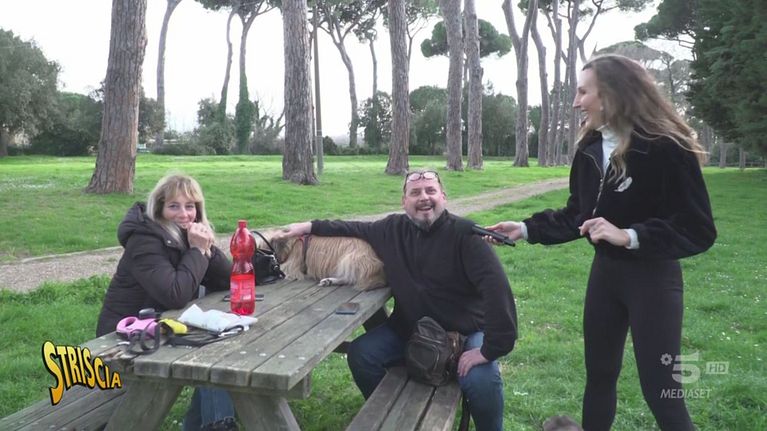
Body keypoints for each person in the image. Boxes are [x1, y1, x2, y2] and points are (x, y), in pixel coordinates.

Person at [486, 54, 716, 430]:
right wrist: (525, 229)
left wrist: (630, 236)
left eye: (583, 92)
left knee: (663, 392)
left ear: (611, 95)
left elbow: (698, 227)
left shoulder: (667, 147)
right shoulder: (591, 147)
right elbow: (579, 214)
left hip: (653, 281)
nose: (577, 102)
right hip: (606, 277)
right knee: (600, 376)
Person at [277, 169, 518, 431]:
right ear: (404, 202)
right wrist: (308, 228)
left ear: (443, 197)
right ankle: (397, 420)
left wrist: (489, 350)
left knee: (482, 378)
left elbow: (497, 291)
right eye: (415, 193)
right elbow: (350, 227)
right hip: (411, 329)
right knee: (361, 355)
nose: (423, 197)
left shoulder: (467, 236)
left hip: (467, 332)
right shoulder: (391, 229)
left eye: (430, 191)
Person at [96, 173, 237, 431]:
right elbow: (175, 294)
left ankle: (212, 423)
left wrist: (207, 248)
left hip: (166, 328)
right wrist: (197, 251)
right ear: (159, 208)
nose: (184, 214)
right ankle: (218, 424)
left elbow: (228, 280)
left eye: (190, 206)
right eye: (174, 206)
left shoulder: (186, 234)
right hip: (128, 336)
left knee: (221, 347)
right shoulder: (144, 239)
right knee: (213, 356)